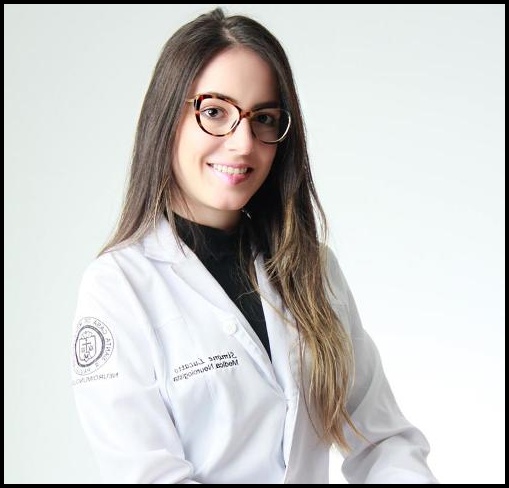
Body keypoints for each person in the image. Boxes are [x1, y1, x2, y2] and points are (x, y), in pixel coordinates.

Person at [70, 7, 439, 484]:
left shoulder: (313, 269)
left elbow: (383, 443)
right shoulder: (118, 289)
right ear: (166, 118)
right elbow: (148, 475)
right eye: (214, 112)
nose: (243, 143)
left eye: (263, 118)